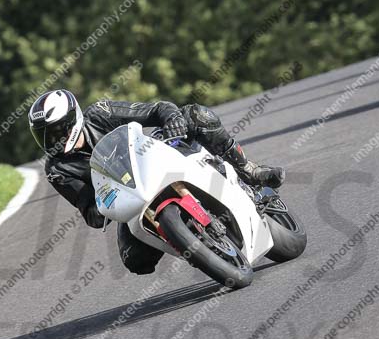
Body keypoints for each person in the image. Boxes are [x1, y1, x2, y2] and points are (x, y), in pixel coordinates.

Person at [28, 90, 285, 275]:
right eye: (43, 136)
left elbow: (157, 109)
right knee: (135, 261)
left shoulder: (100, 113)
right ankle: (191, 244)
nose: (51, 141)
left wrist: (172, 120)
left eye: (56, 131)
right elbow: (90, 212)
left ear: (73, 120)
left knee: (196, 115)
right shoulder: (57, 169)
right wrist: (105, 202)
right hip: (130, 197)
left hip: (153, 157)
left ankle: (248, 170)